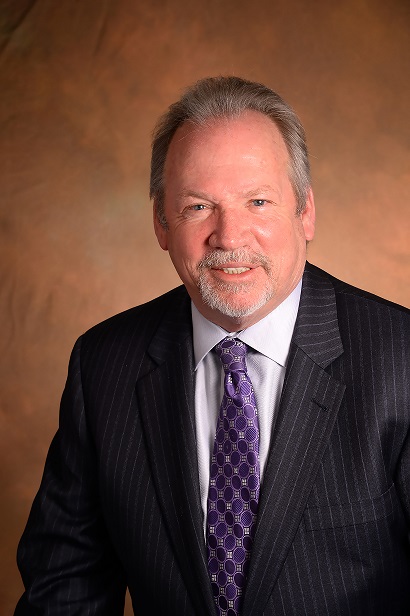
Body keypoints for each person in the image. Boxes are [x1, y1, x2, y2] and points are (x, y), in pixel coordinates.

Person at [15, 76, 410, 616]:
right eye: (199, 207)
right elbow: (65, 590)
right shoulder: (103, 366)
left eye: (258, 201)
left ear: (306, 213)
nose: (229, 236)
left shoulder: (399, 360)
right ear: (161, 223)